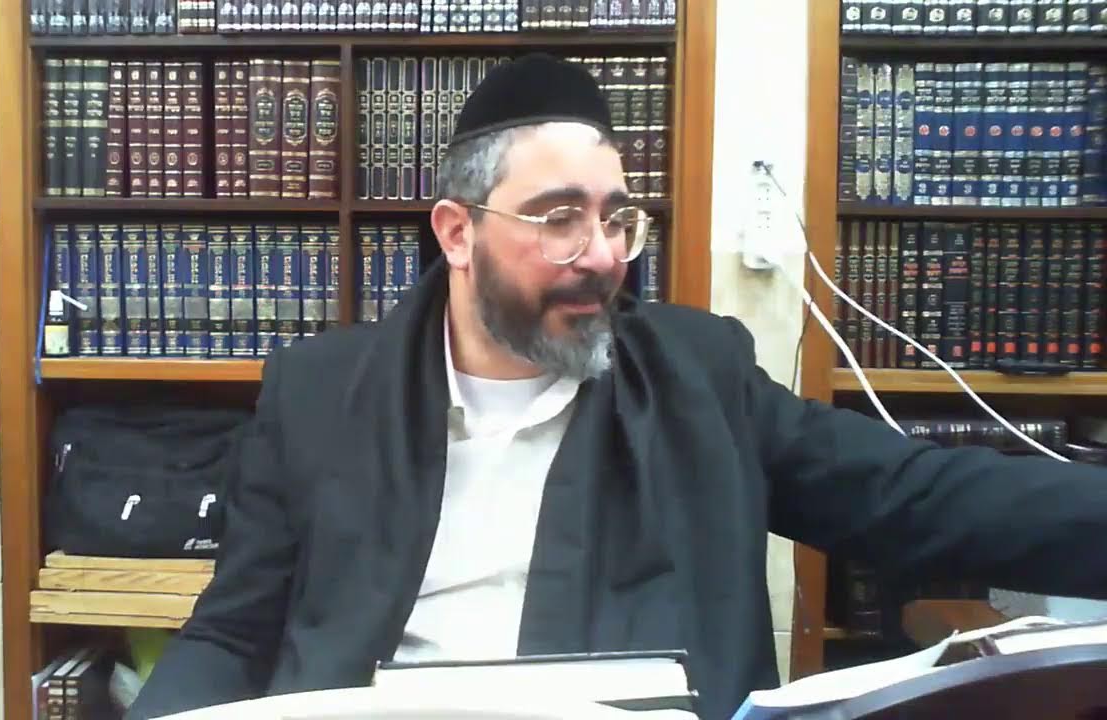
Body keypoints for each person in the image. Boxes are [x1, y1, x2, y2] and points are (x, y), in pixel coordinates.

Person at [127, 53, 1107, 720]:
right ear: (458, 233)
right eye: (557, 218)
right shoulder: (317, 394)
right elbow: (232, 633)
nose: (600, 255)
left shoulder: (697, 377)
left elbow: (915, 496)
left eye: (615, 218)